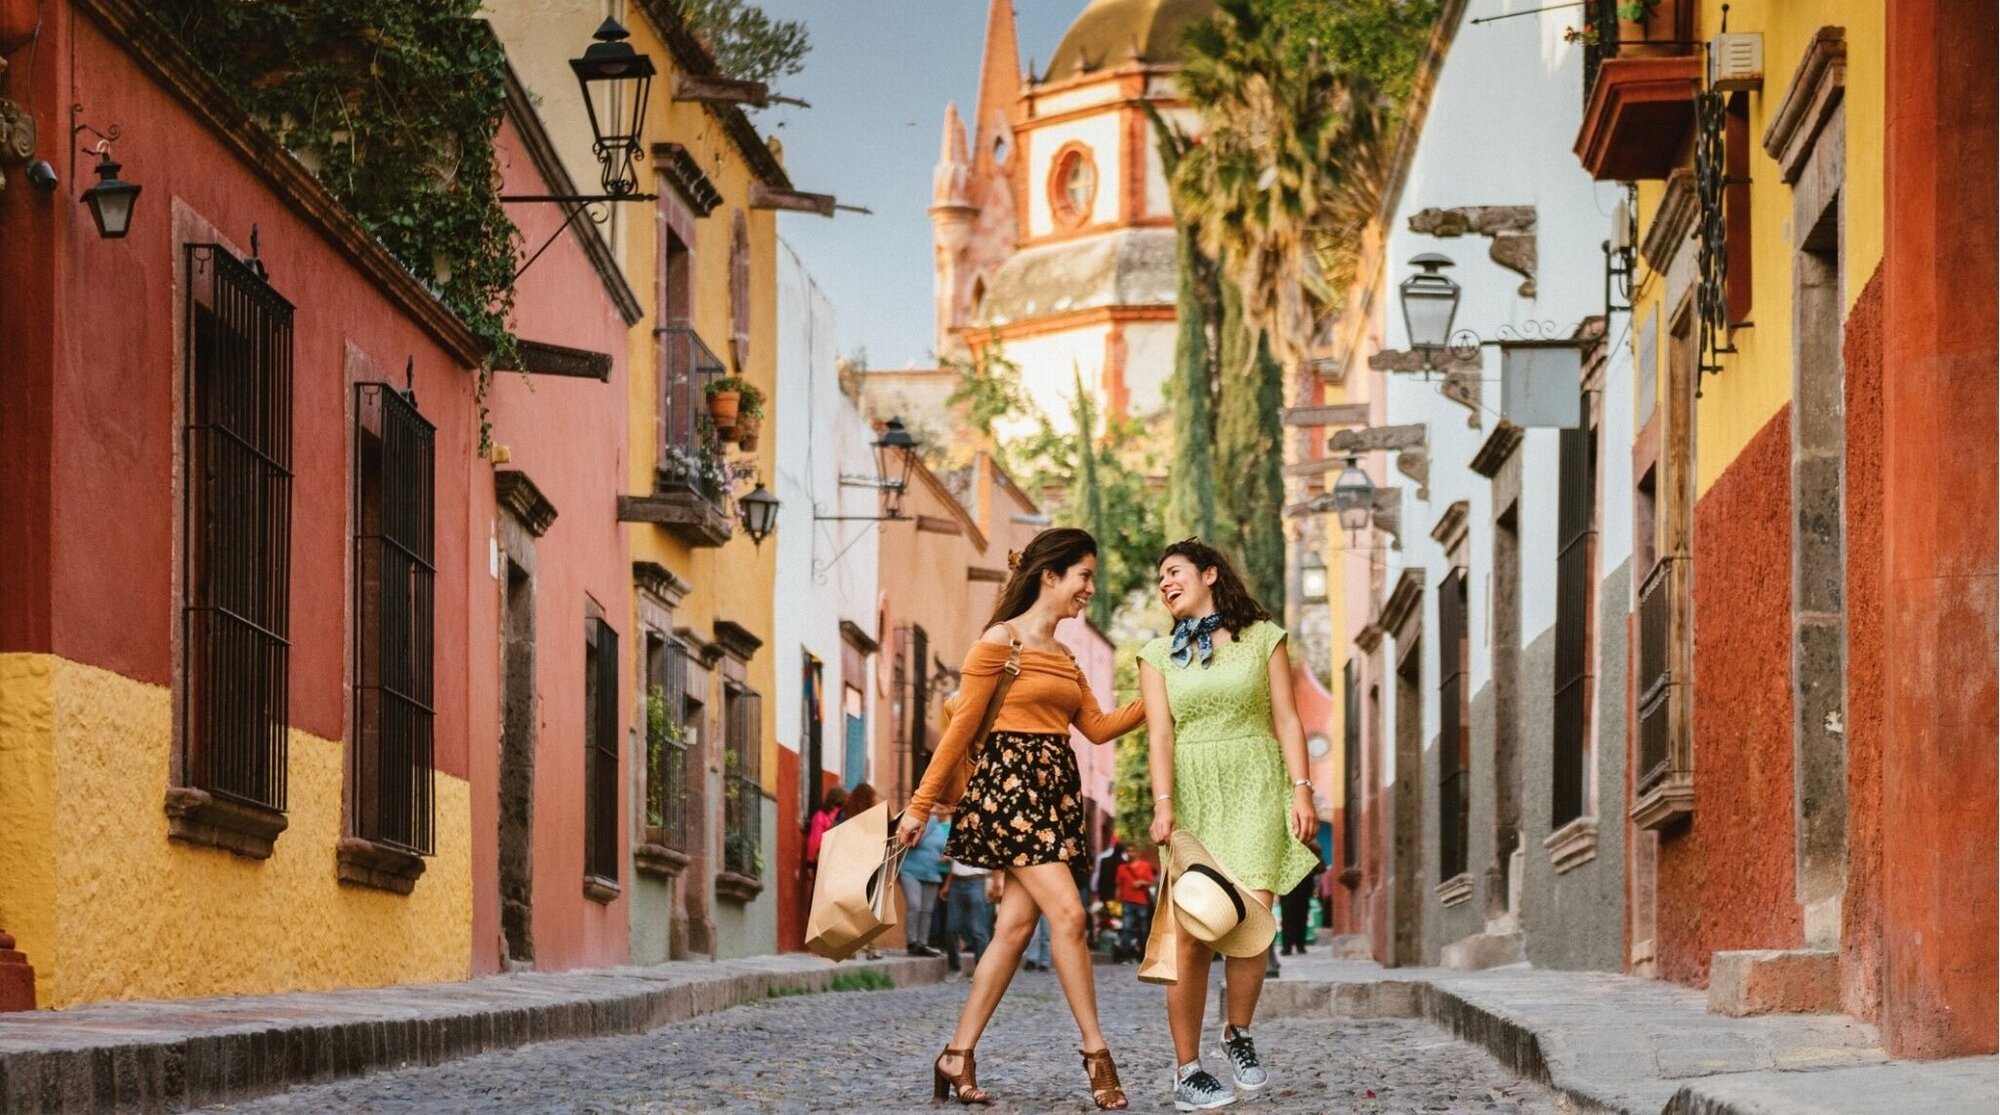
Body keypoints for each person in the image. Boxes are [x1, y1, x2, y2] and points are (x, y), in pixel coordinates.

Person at [895, 528, 1145, 1109]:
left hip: (1054, 796)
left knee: (1012, 932)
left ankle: (956, 1053)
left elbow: (1100, 727)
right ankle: (1096, 1053)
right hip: (1009, 796)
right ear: (1049, 576)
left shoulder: (1065, 656)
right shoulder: (997, 643)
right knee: (1070, 915)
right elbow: (958, 734)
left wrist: (1161, 694)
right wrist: (919, 806)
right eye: (1083, 574)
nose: (1090, 587)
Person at [1141, 539, 1320, 1111]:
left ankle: (1237, 1033)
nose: (1165, 583)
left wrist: (1301, 788)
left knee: (1254, 915)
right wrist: (1163, 803)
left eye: (1174, 572)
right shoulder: (1154, 655)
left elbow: (1288, 718)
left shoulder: (1263, 637)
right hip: (1193, 791)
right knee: (1193, 933)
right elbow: (1160, 736)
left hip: (1255, 783)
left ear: (1210, 574)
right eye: (1160, 578)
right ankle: (1187, 1069)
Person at [901, 806, 951, 958]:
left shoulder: (942, 830)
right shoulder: (918, 823)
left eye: (943, 808)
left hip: (931, 872)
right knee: (915, 904)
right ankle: (911, 942)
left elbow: (945, 849)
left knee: (927, 910)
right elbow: (916, 841)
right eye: (938, 808)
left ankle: (922, 943)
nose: (940, 811)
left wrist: (946, 857)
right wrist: (932, 819)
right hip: (910, 871)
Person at [945, 856, 993, 978]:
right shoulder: (956, 838)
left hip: (977, 881)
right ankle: (954, 968)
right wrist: (947, 885)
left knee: (978, 929)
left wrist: (996, 883)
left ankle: (980, 970)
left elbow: (997, 862)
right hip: (956, 883)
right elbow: (953, 865)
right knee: (951, 927)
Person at [1115, 852, 1156, 962]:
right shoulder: (1122, 868)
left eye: (1133, 851)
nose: (1130, 853)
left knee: (1143, 930)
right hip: (1127, 901)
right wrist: (1116, 902)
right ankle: (1126, 956)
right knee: (1127, 929)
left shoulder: (1145, 865)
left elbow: (1151, 881)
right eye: (1128, 851)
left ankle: (1143, 956)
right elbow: (1119, 886)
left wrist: (1141, 882)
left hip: (1142, 902)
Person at [1280, 855, 1324, 956]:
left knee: (1300, 918)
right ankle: (1288, 946)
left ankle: (1299, 945)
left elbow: (1321, 868)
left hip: (1302, 890)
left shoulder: (1309, 847)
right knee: (1288, 919)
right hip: (1288, 890)